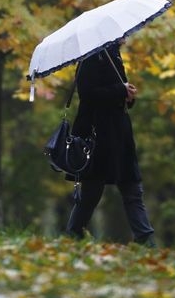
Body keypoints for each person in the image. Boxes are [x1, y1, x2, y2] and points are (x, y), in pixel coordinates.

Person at [65, 41, 155, 246]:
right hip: (98, 135)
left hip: (119, 133)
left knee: (132, 187)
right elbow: (87, 93)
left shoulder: (112, 53)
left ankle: (145, 239)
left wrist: (128, 96)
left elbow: (117, 93)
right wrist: (120, 90)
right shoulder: (92, 55)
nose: (126, 37)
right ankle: (73, 235)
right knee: (92, 190)